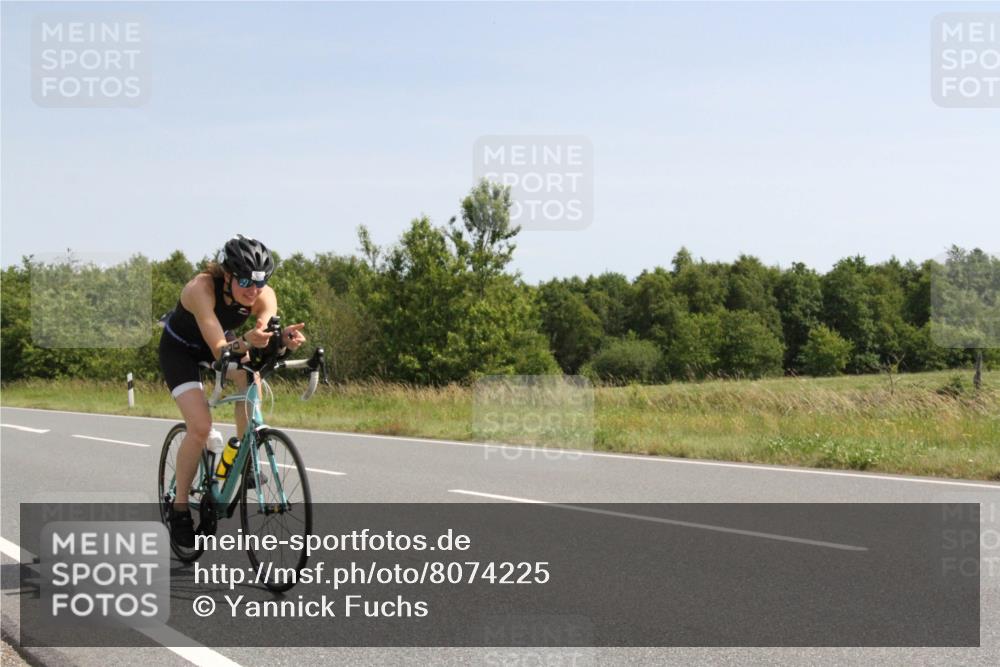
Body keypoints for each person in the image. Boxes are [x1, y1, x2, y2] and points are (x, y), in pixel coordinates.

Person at [159, 235, 306, 547]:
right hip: (182, 351)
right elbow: (221, 348)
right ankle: (180, 507)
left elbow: (264, 337)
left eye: (260, 282)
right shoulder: (200, 289)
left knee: (250, 377)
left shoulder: (263, 295)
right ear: (226, 275)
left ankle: (245, 451)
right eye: (244, 282)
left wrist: (282, 341)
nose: (253, 292)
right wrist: (247, 342)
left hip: (223, 344)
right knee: (200, 427)